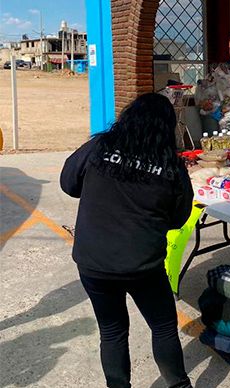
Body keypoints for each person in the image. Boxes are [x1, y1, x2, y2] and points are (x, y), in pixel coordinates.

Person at [60, 93, 193, 388]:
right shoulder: (171, 166)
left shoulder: (99, 147)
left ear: (128, 119)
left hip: (94, 262)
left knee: (112, 330)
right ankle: (179, 386)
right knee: (162, 327)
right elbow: (178, 217)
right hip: (142, 265)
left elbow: (68, 183)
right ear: (166, 128)